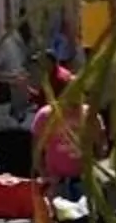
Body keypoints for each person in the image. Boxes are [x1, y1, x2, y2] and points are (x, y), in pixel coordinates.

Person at [31, 67, 90, 202]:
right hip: (56, 180)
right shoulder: (46, 115)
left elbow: (101, 145)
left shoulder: (89, 115)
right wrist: (44, 174)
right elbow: (36, 149)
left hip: (84, 181)